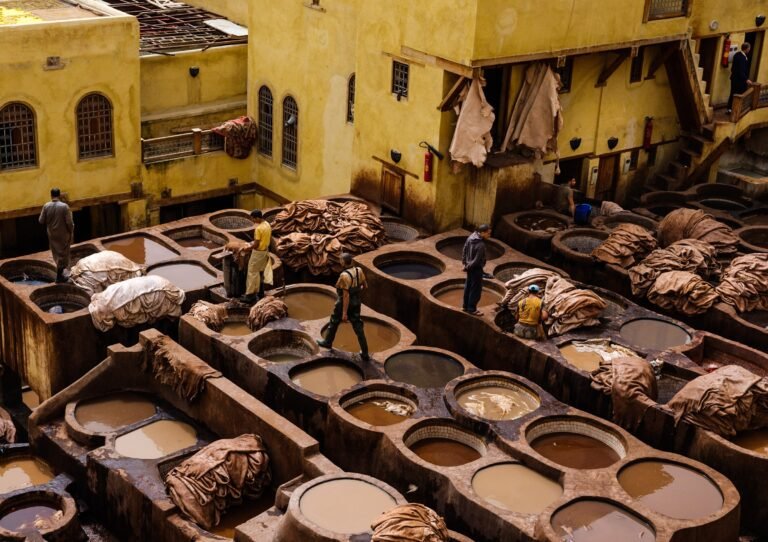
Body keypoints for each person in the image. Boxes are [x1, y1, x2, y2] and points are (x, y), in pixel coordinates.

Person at [316, 253, 369, 361]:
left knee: (334, 321)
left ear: (343, 262)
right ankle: (365, 353)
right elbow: (365, 285)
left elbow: (345, 296)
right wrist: (357, 291)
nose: (339, 261)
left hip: (345, 303)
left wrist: (344, 313)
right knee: (358, 326)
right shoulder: (359, 270)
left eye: (340, 260)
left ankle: (327, 342)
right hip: (356, 302)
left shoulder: (344, 276)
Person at [38, 188, 74, 283]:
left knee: (56, 253)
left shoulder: (46, 206)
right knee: (63, 253)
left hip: (51, 234)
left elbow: (41, 221)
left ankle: (60, 274)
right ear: (59, 195)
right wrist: (71, 231)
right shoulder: (64, 207)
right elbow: (69, 222)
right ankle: (59, 276)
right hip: (63, 234)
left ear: (51, 195)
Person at [240, 209, 271, 304]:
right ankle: (260, 292)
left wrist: (247, 249)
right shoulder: (267, 225)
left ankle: (250, 296)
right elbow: (262, 240)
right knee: (260, 272)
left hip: (257, 253)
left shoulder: (258, 229)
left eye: (253, 219)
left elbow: (256, 245)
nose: (253, 221)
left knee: (252, 273)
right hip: (265, 251)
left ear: (257, 217)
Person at [461, 224, 491, 316]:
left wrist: (465, 263)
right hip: (476, 269)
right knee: (476, 290)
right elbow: (477, 260)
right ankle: (472, 309)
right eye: (488, 233)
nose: (489, 235)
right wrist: (467, 267)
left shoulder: (471, 237)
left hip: (469, 267)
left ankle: (465, 306)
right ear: (482, 233)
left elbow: (464, 250)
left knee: (468, 287)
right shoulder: (480, 245)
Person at [727, 42, 752, 114]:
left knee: (733, 92)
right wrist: (746, 79)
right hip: (739, 80)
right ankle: (735, 109)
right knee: (739, 94)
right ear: (747, 48)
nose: (749, 50)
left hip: (734, 78)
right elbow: (741, 70)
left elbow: (733, 69)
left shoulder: (737, 54)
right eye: (749, 48)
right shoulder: (742, 57)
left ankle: (729, 108)